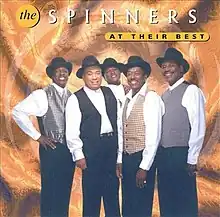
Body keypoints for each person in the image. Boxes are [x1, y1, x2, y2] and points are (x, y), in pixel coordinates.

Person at [12, 57, 75, 217]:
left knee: (64, 191)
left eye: (65, 71)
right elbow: (18, 112)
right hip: (52, 149)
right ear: (52, 75)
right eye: (58, 70)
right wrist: (38, 136)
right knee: (51, 191)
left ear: (68, 75)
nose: (62, 73)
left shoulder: (72, 96)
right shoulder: (42, 94)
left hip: (69, 151)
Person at [65, 55, 121, 217]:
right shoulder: (76, 99)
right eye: (90, 73)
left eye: (97, 73)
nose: (95, 77)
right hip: (91, 153)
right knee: (91, 197)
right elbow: (71, 131)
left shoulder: (110, 92)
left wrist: (119, 155)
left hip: (111, 148)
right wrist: (79, 155)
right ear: (83, 76)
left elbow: (118, 120)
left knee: (112, 194)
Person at [156, 47, 206, 217]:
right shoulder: (163, 95)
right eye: (164, 66)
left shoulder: (191, 91)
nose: (166, 69)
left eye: (170, 65)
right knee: (167, 201)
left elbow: (198, 126)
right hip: (164, 155)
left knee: (184, 202)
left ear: (181, 69)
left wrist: (192, 158)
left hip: (181, 155)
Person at [116, 56, 165, 217]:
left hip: (142, 158)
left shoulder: (151, 98)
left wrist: (144, 167)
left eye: (137, 73)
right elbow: (123, 131)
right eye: (129, 73)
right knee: (128, 203)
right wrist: (120, 160)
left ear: (145, 76)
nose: (132, 77)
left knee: (141, 205)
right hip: (127, 158)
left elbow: (154, 135)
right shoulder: (126, 99)